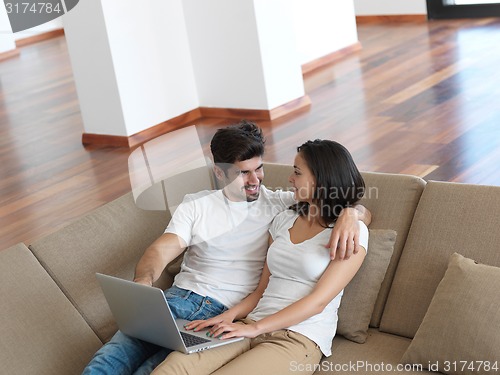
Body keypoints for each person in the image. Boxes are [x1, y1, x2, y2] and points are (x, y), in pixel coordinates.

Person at [83, 121, 371, 375]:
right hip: (184, 301)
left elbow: (342, 206)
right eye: (243, 173)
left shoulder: (278, 203)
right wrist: (143, 283)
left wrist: (352, 214)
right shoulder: (199, 205)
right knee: (110, 360)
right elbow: (161, 250)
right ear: (219, 173)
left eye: (259, 169)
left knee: (151, 369)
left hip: (234, 314)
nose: (255, 180)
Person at [152, 139, 369, 375]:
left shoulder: (352, 233)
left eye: (297, 172)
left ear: (321, 178)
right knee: (170, 368)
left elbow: (318, 303)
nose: (290, 179)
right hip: (249, 324)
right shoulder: (284, 219)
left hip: (297, 337)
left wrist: (350, 213)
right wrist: (228, 317)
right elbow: (260, 291)